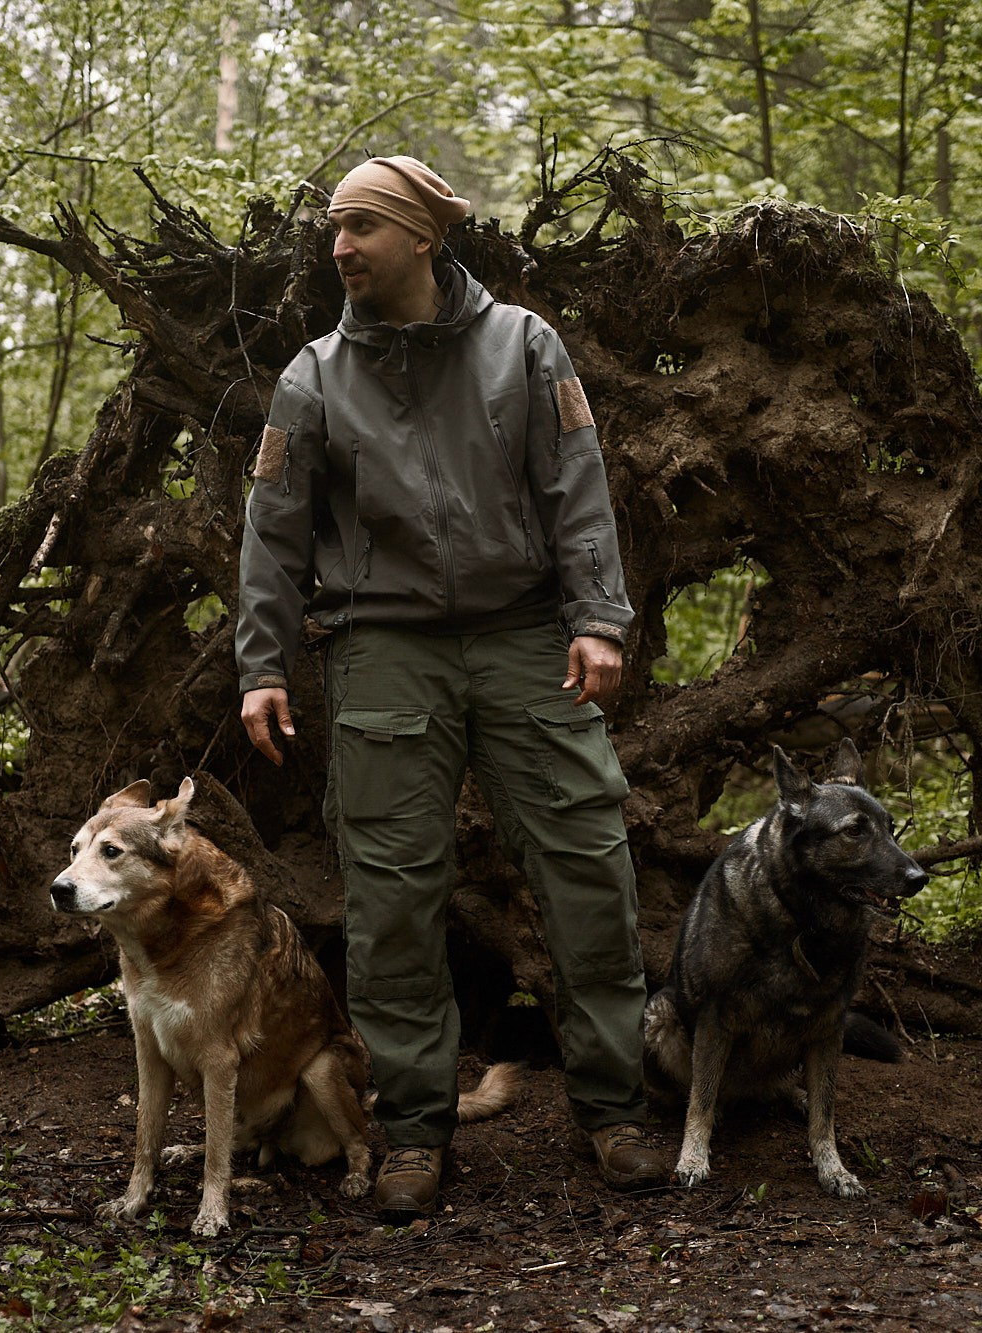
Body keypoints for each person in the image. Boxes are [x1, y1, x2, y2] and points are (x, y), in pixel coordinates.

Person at [236, 155, 669, 1219]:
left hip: (525, 638)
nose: (340, 247)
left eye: (361, 227)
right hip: (382, 647)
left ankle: (615, 1110)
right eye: (335, 230)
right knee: (390, 901)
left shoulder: (523, 346)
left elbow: (576, 484)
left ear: (422, 237)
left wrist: (598, 617)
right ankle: (415, 1133)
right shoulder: (313, 377)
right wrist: (261, 664)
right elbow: (272, 531)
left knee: (587, 867)